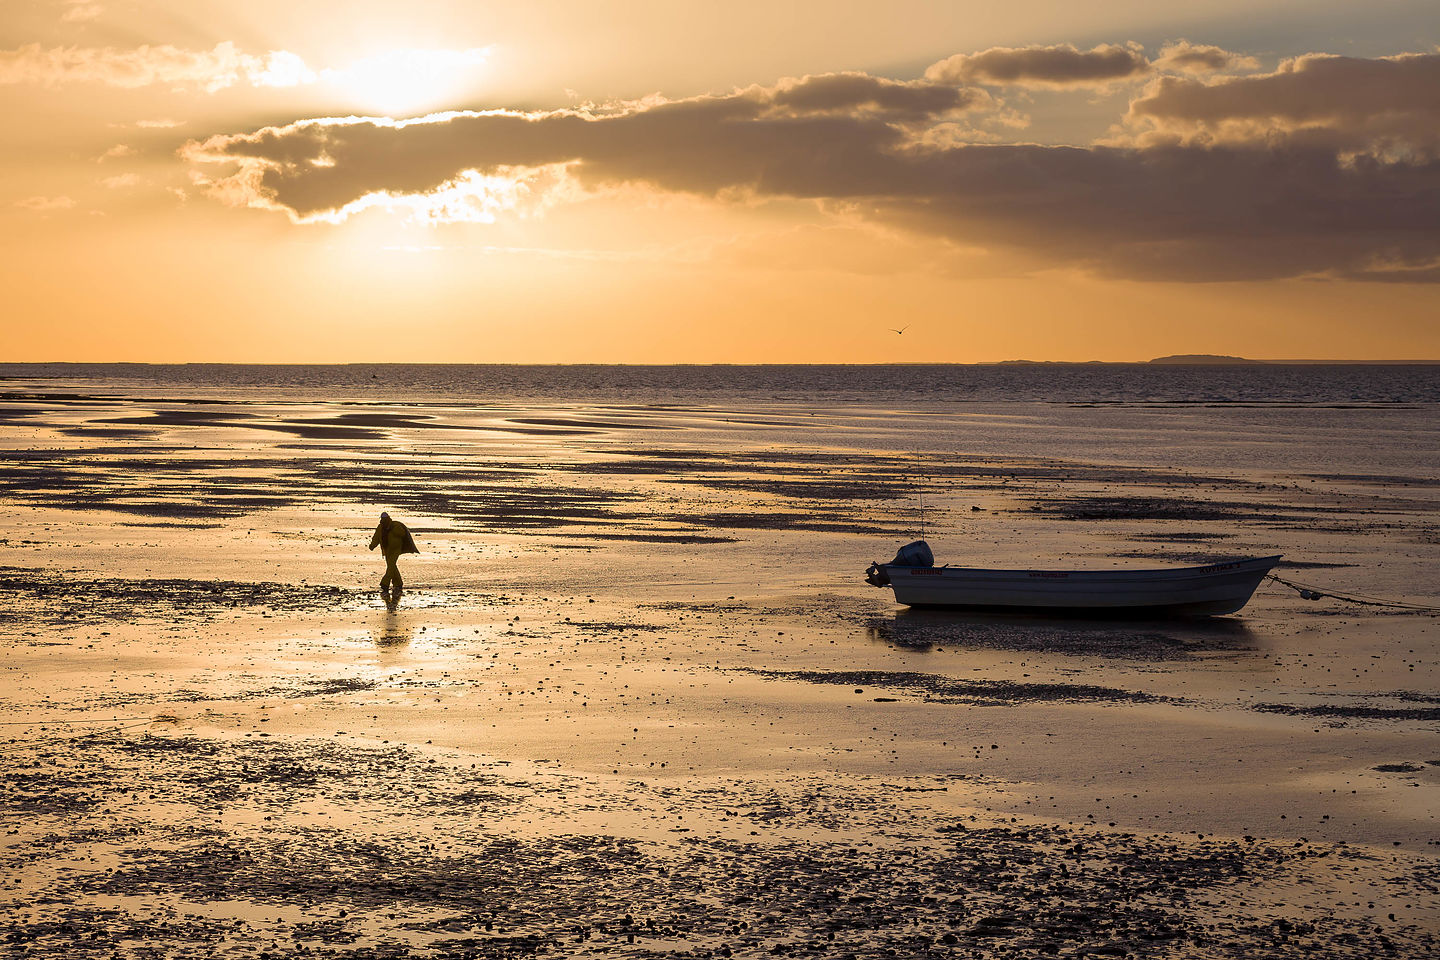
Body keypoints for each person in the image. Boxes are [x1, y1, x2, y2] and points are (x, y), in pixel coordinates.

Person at [368, 511, 419, 597]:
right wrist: (372, 545)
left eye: (385, 519)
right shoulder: (380, 527)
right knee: (392, 566)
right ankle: (398, 583)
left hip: (396, 549)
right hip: (387, 549)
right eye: (382, 519)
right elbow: (376, 537)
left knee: (391, 566)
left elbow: (402, 533)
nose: (383, 521)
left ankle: (385, 583)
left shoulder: (395, 525)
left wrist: (391, 529)